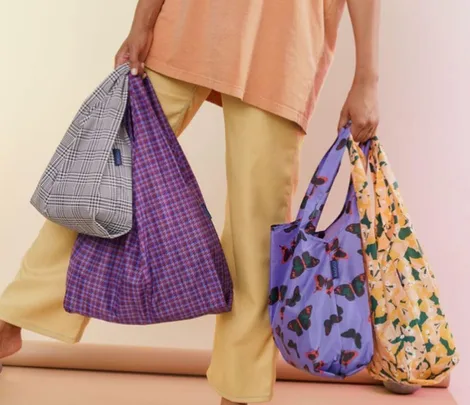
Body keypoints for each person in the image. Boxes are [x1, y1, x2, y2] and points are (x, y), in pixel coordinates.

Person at [0, 1, 380, 404]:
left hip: (283, 48)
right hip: (188, 23)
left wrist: (367, 79)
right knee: (105, 189)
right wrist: (141, 23)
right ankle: (11, 319)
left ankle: (241, 390)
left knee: (257, 237)